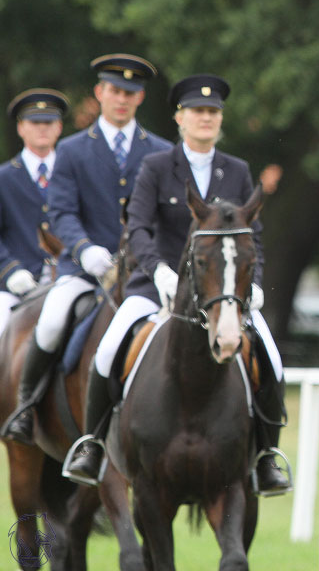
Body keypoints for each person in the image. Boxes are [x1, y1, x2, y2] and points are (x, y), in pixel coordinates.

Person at [63, 74, 292, 495]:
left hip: (224, 293)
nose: (206, 119)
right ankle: (92, 445)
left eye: (213, 112)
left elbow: (251, 236)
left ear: (220, 120)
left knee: (271, 360)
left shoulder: (237, 170)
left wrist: (254, 284)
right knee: (109, 349)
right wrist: (159, 272)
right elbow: (139, 227)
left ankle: (265, 457)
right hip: (156, 287)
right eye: (197, 112)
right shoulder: (155, 167)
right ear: (180, 118)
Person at [2, 55, 172, 444]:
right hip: (84, 269)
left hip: (142, 273)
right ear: (99, 93)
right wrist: (84, 250)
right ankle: (26, 408)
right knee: (49, 321)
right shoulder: (73, 150)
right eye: (114, 90)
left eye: (130, 93)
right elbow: (61, 212)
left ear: (141, 97)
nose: (121, 99)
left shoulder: (161, 152)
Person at [0, 89, 68, 335]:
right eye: (34, 122)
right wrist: (10, 270)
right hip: (15, 286)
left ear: (59, 127)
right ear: (21, 128)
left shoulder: (71, 174)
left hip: (68, 279)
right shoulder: (3, 178)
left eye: (48, 122)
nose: (42, 128)